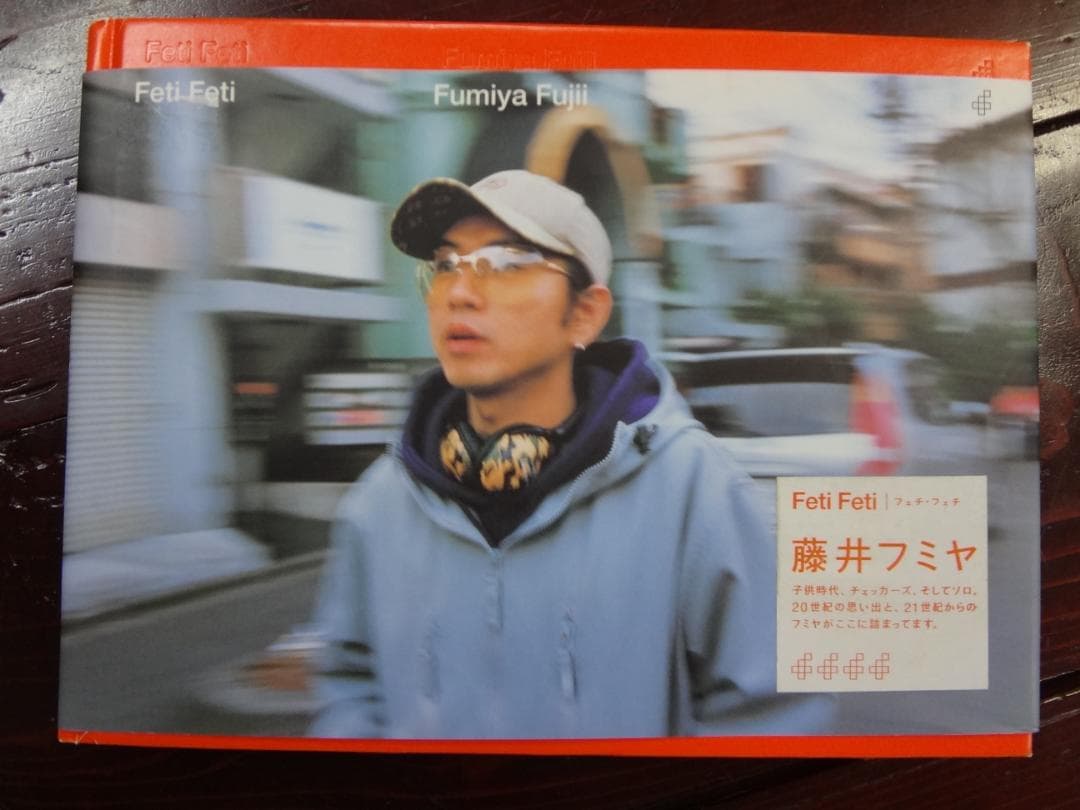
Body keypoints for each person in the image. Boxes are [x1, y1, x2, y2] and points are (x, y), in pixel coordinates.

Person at [309, 169, 832, 739]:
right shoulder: (382, 501)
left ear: (584, 313)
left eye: (505, 263)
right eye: (445, 264)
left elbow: (773, 719)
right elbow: (348, 682)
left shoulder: (693, 490)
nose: (459, 292)